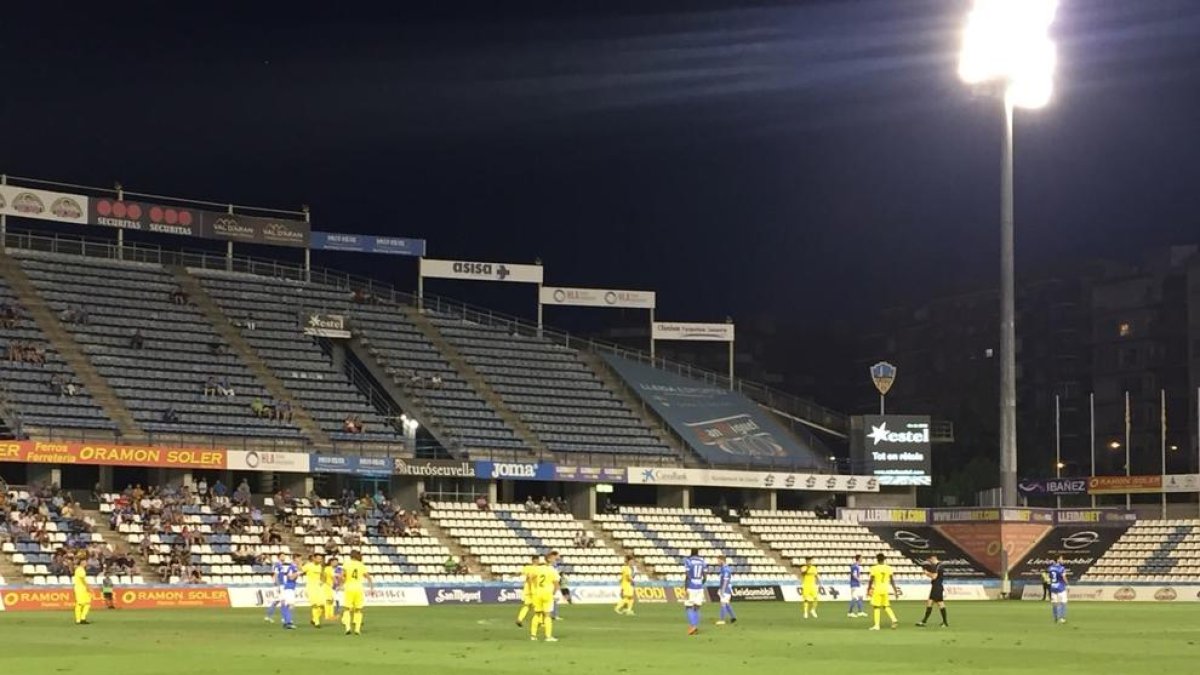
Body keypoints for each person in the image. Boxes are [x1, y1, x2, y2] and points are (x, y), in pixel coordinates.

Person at [341, 549, 373, 636]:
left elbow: (343, 577)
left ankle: (347, 628)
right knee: (358, 609)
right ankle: (357, 630)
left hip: (348, 588)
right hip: (359, 588)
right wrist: (371, 588)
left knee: (347, 609)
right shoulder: (361, 565)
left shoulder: (346, 564)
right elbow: (368, 577)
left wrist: (340, 584)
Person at [529, 554, 560, 642]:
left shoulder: (538, 568)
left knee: (537, 614)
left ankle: (533, 636)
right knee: (547, 615)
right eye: (554, 559)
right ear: (549, 560)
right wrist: (553, 593)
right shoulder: (553, 570)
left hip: (537, 593)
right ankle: (548, 636)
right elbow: (556, 584)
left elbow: (531, 578)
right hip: (547, 593)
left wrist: (534, 587)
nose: (555, 561)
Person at [866, 553, 900, 631]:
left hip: (877, 589)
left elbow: (871, 580)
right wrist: (895, 591)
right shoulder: (888, 568)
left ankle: (877, 625)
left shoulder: (874, 568)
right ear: (884, 559)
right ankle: (894, 619)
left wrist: (868, 589)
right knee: (886, 606)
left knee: (876, 606)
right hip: (885, 589)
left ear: (877, 559)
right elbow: (892, 580)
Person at [916, 554, 949, 628]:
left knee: (940, 604)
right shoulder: (938, 565)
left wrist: (927, 573)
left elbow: (934, 577)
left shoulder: (938, 566)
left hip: (937, 586)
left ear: (933, 558)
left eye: (930, 560)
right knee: (930, 603)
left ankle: (945, 622)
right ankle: (924, 621)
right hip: (936, 586)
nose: (930, 562)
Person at [683, 548, 706, 636]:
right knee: (697, 607)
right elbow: (705, 577)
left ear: (691, 553)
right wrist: (700, 584)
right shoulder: (702, 561)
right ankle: (695, 626)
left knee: (688, 607)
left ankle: (693, 626)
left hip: (691, 586)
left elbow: (687, 576)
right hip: (699, 587)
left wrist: (686, 588)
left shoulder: (688, 561)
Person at [516, 554, 540, 627]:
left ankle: (520, 619)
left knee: (527, 605)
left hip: (527, 589)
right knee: (538, 606)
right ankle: (540, 621)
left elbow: (520, 574)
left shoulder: (527, 568)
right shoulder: (539, 569)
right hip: (534, 588)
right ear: (536, 560)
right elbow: (529, 578)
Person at [302, 553, 325, 627]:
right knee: (315, 605)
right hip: (310, 587)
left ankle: (314, 619)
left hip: (318, 587)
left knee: (322, 606)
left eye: (320, 559)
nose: (320, 560)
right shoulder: (308, 565)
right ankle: (317, 622)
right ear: (314, 558)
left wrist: (322, 581)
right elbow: (301, 571)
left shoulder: (319, 566)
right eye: (318, 558)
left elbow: (321, 575)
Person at [264, 553, 286, 623]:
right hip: (279, 585)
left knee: (277, 601)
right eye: (282, 556)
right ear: (279, 557)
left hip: (281, 585)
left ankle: (268, 616)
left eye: (284, 556)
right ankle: (283, 618)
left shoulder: (279, 564)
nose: (284, 557)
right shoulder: (278, 565)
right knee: (283, 601)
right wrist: (278, 585)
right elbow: (275, 575)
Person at [715, 555, 736, 626]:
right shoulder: (723, 568)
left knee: (723, 603)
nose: (717, 562)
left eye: (718, 561)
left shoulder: (726, 569)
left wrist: (723, 590)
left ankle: (722, 620)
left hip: (726, 589)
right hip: (725, 588)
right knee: (726, 603)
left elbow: (725, 581)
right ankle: (733, 617)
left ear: (721, 560)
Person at [280, 554, 300, 630]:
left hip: (288, 587)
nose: (300, 561)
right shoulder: (293, 567)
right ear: (295, 559)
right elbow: (291, 577)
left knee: (286, 605)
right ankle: (288, 622)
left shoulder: (292, 567)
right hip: (289, 588)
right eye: (299, 559)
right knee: (289, 606)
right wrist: (297, 573)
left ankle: (286, 622)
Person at [1048, 556, 1069, 624]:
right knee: (1063, 602)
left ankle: (1055, 618)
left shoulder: (1050, 568)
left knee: (1054, 603)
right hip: (1060, 587)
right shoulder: (1061, 568)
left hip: (1053, 587)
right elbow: (1064, 577)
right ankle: (1061, 618)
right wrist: (1067, 584)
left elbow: (1050, 577)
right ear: (1058, 560)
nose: (1062, 560)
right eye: (1061, 559)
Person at [73, 556, 92, 625]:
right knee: (80, 604)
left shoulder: (81, 569)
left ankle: (83, 618)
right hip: (80, 589)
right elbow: (82, 579)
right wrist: (88, 586)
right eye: (84, 562)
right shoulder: (80, 569)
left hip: (83, 588)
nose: (85, 563)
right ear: (81, 563)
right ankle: (78, 619)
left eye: (85, 562)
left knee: (87, 603)